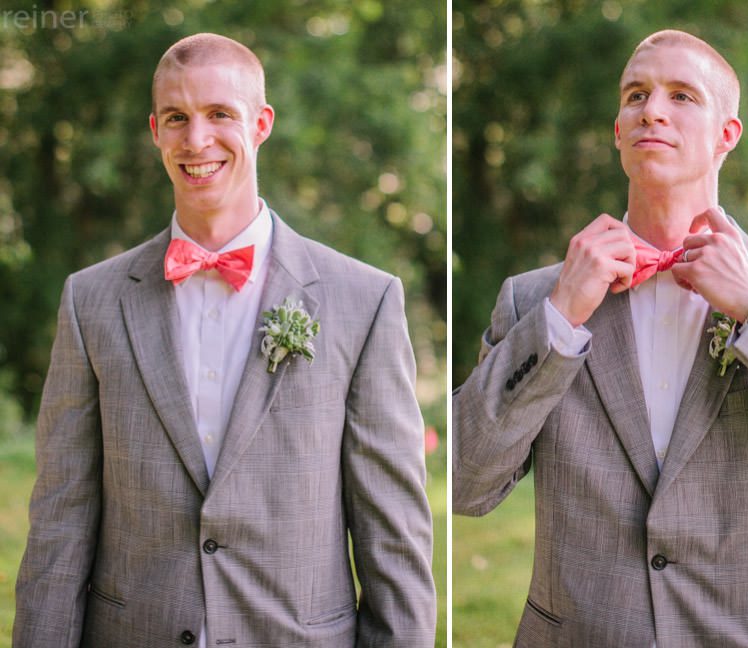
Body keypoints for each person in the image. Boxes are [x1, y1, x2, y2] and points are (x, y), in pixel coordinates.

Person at [453, 29, 748, 647]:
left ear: (727, 136)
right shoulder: (534, 300)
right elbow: (463, 482)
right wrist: (558, 319)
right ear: (617, 131)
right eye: (635, 94)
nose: (652, 110)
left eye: (682, 95)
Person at [14, 33, 436, 648]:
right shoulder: (91, 300)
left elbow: (393, 534)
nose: (197, 140)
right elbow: (60, 519)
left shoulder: (362, 300)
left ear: (261, 123)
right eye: (178, 118)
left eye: (220, 114)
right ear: (155, 130)